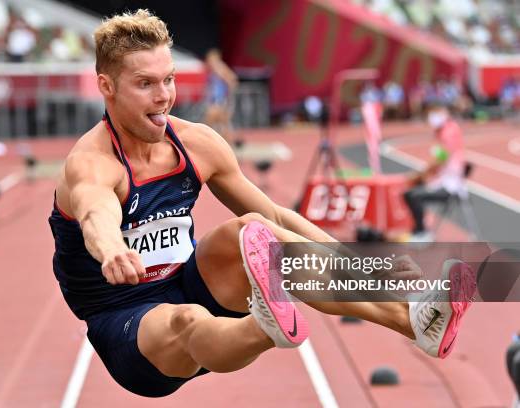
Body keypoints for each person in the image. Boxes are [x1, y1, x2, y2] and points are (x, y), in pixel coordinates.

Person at [49, 10, 476, 398]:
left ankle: (414, 321)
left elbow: (276, 215)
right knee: (187, 321)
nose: (164, 96)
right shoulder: (92, 162)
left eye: (170, 79)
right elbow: (95, 212)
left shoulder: (196, 143)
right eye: (145, 84)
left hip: (191, 280)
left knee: (254, 229)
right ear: (106, 86)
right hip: (128, 324)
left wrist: (364, 265)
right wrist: (112, 250)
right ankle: (262, 327)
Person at [403, 102, 465, 242]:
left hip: (449, 186)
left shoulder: (449, 132)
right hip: (443, 181)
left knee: (412, 195)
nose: (430, 117)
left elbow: (441, 158)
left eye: (433, 113)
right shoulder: (446, 130)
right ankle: (419, 228)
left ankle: (422, 232)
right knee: (413, 190)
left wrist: (422, 174)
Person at [202, 48, 238, 147]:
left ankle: (223, 145)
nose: (210, 62)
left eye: (211, 60)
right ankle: (221, 145)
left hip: (222, 100)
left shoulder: (221, 68)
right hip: (214, 101)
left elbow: (233, 80)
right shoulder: (209, 70)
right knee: (220, 123)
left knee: (213, 121)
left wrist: (225, 81)